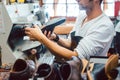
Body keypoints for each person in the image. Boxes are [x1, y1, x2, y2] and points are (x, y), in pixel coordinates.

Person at [25, 0, 115, 60]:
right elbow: (72, 44)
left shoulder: (104, 25)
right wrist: (56, 38)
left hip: (88, 73)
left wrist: (42, 38)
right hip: (75, 69)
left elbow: (76, 56)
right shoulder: (82, 16)